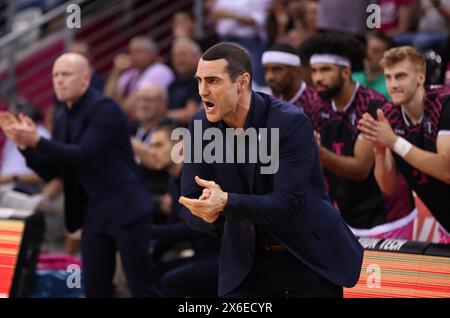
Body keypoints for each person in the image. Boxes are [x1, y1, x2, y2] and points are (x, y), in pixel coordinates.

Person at [178, 42, 363, 298]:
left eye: (212, 81)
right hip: (247, 262)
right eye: (199, 81)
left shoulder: (289, 122)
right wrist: (208, 215)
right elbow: (187, 200)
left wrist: (227, 203)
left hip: (305, 256)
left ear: (242, 82)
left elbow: (287, 205)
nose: (202, 91)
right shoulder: (200, 125)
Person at [0, 53, 159, 297]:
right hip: (93, 213)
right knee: (95, 290)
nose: (59, 81)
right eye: (55, 75)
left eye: (66, 74)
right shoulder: (63, 117)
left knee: (141, 287)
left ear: (85, 78)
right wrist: (24, 145)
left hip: (127, 209)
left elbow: (84, 154)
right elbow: (55, 170)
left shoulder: (105, 108)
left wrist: (37, 140)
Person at [299, 33, 416, 239]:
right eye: (315, 71)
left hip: (386, 219)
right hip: (346, 217)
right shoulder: (318, 106)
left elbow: (360, 169)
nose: (317, 78)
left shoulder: (372, 106)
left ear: (346, 73)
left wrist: (320, 153)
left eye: (326, 70)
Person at [358, 46, 450, 243]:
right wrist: (380, 150)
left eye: (400, 76)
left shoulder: (444, 104)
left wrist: (393, 141)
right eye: (388, 77)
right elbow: (388, 186)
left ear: (420, 78)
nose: (393, 84)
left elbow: (446, 169)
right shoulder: (389, 115)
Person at [262, 43, 318, 114]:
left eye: (277, 69)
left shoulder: (314, 103)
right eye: (266, 70)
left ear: (294, 70)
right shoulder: (269, 100)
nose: (269, 77)